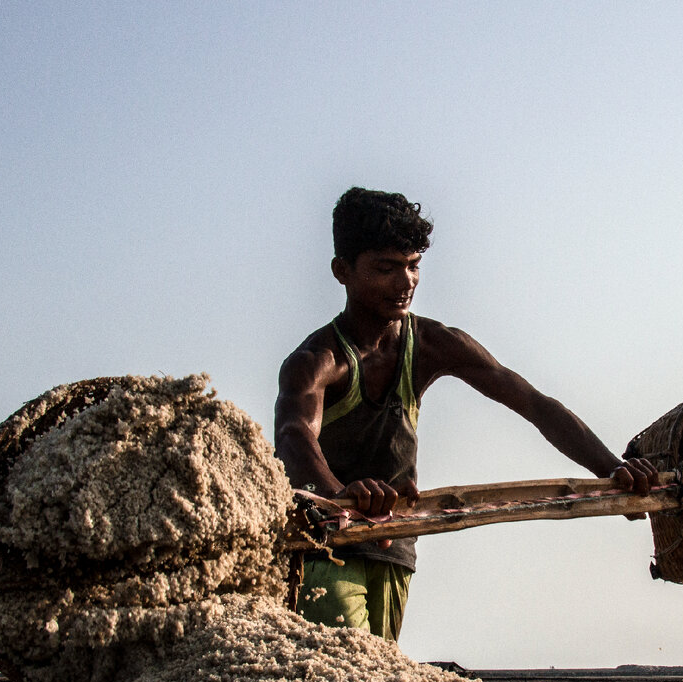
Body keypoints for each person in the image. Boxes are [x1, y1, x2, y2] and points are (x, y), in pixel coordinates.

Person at [274, 187, 657, 642]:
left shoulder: (434, 344)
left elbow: (534, 405)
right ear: (343, 271)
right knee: (341, 676)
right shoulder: (316, 359)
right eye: (385, 268)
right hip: (326, 547)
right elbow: (295, 433)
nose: (405, 283)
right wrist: (341, 500)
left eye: (413, 266)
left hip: (396, 545)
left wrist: (613, 469)